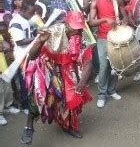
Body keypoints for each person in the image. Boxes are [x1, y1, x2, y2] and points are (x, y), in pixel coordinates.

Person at [20, 11, 92, 144]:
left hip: (67, 68)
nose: (77, 32)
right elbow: (32, 56)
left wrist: (82, 82)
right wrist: (41, 42)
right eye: (74, 28)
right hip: (48, 66)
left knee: (71, 97)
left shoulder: (83, 36)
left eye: (79, 29)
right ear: (66, 24)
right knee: (41, 98)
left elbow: (88, 62)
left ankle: (67, 125)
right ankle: (28, 126)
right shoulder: (52, 31)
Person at [89, 0, 128, 108]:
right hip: (103, 38)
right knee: (104, 66)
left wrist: (124, 22)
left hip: (117, 37)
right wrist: (105, 19)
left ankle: (111, 90)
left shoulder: (117, 0)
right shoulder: (96, 0)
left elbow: (125, 16)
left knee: (116, 66)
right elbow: (91, 22)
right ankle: (101, 94)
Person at [9, 0, 36, 115]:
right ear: (23, 10)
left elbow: (31, 31)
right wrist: (37, 37)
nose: (32, 15)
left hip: (31, 53)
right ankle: (25, 105)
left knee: (33, 80)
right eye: (30, 13)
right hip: (21, 56)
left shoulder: (27, 18)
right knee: (24, 81)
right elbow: (19, 41)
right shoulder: (16, 22)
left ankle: (34, 102)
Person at [0, 22, 20, 126]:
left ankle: (8, 106)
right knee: (0, 92)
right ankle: (0, 114)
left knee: (7, 89)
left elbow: (4, 46)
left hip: (3, 66)